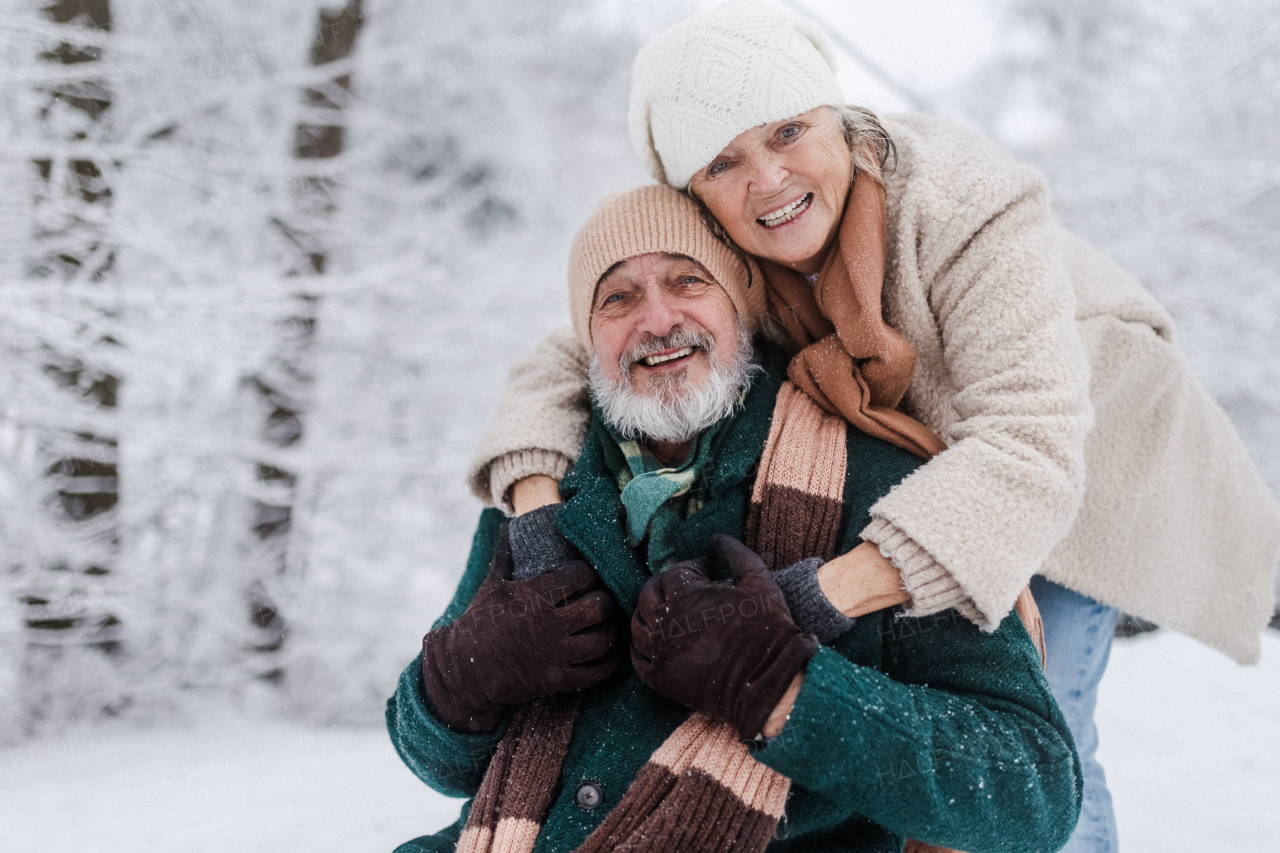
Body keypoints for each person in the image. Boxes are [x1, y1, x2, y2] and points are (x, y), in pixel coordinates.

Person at [464, 3, 1280, 852]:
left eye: (788, 129)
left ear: (837, 116)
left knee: (1046, 738)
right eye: (725, 160)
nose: (769, 178)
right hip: (938, 478)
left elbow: (1029, 448)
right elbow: (576, 350)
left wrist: (812, 600)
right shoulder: (718, 238)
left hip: (1084, 474)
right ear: (693, 191)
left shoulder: (966, 203)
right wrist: (536, 518)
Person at [387, 185, 1081, 853]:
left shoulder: (877, 488)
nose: (656, 320)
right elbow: (434, 759)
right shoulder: (540, 499)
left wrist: (786, 689)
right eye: (617, 297)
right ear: (588, 338)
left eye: (688, 282)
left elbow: (1036, 788)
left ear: (741, 307)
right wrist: (461, 677)